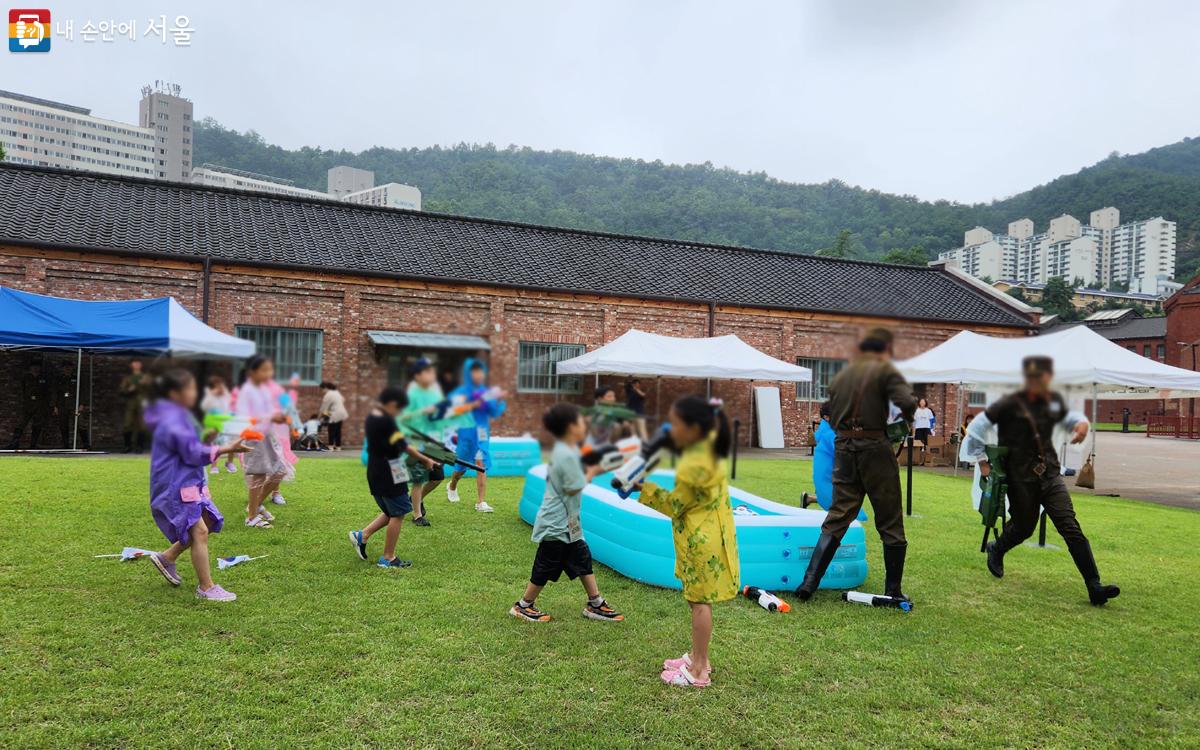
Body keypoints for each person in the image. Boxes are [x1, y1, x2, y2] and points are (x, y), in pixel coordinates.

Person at [964, 356, 1120, 606]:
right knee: (1025, 527)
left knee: (1070, 526)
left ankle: (1094, 585)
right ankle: (998, 548)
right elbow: (975, 432)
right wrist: (982, 460)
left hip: (1050, 474)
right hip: (1021, 478)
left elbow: (1073, 420)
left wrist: (1081, 426)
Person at [794, 327, 917, 603]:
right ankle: (893, 590)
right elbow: (908, 403)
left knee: (838, 514)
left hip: (845, 447)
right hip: (875, 448)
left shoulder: (841, 377)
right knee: (890, 519)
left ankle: (809, 583)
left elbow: (832, 413)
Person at [637, 395, 737, 688]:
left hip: (701, 541)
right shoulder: (708, 446)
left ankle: (698, 672)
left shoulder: (696, 463)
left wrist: (642, 487)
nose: (672, 428)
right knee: (699, 601)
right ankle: (697, 657)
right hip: (710, 536)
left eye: (677, 423)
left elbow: (675, 505)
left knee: (699, 604)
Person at [510, 402, 624, 624]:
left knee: (582, 558)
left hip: (569, 522)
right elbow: (574, 486)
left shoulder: (569, 450)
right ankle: (523, 605)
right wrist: (595, 470)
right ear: (571, 427)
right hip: (556, 522)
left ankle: (595, 603)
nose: (585, 425)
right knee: (546, 565)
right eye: (581, 421)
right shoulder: (565, 453)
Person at [144, 369, 252, 602]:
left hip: (190, 482)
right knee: (200, 531)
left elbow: (193, 445)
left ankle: (167, 557)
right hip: (177, 486)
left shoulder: (181, 417)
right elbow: (192, 451)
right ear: (174, 393)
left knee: (209, 520)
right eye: (190, 389)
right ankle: (206, 587)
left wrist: (210, 437)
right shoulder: (172, 420)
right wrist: (226, 449)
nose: (195, 393)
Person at [348, 386, 437, 568]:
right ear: (392, 404)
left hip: (377, 470)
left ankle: (362, 535)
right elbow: (404, 446)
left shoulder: (374, 417)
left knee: (393, 510)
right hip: (389, 471)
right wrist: (425, 459)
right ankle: (388, 558)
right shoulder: (387, 422)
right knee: (398, 513)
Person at [234, 355, 293, 528]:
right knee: (259, 475)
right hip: (254, 436)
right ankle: (251, 516)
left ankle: (256, 505)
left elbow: (268, 413)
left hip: (268, 435)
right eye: (265, 370)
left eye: (270, 369)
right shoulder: (247, 391)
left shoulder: (263, 390)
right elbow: (245, 417)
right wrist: (270, 416)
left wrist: (278, 418)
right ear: (252, 372)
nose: (269, 373)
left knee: (280, 471)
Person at [445, 358, 507, 513]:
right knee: (462, 466)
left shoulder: (487, 393)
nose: (478, 375)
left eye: (480, 371)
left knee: (481, 464)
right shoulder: (461, 392)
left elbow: (494, 412)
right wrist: (471, 405)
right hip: (466, 433)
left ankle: (481, 502)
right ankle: (452, 485)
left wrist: (499, 401)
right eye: (474, 372)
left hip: (482, 433)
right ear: (468, 373)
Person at [400, 357, 447, 527]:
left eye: (432, 371)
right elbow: (403, 417)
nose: (432, 374)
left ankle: (415, 500)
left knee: (437, 477)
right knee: (419, 478)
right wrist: (422, 412)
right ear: (418, 375)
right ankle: (417, 515)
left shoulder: (435, 391)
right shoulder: (411, 392)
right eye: (428, 371)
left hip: (435, 440)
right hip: (416, 441)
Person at [7, 361, 52, 450]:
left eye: (37, 366)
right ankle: (14, 443)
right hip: (27, 404)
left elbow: (48, 392)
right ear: (30, 368)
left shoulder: (44, 378)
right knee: (21, 423)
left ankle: (33, 445)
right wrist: (22, 401)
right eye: (34, 366)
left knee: (37, 424)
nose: (35, 368)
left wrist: (46, 404)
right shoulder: (25, 378)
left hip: (40, 404)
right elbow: (21, 390)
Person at [200, 375, 239, 474]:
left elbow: (230, 404)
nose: (220, 387)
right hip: (215, 422)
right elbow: (204, 407)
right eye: (217, 385)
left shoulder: (225, 393)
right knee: (216, 443)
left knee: (232, 441)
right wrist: (212, 395)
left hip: (227, 420)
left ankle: (230, 462)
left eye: (221, 384)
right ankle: (214, 465)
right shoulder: (209, 393)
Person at [803, 402, 836, 510]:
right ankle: (808, 499)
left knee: (832, 494)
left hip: (827, 464)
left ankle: (808, 499)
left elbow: (814, 440)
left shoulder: (826, 426)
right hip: (828, 465)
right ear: (826, 417)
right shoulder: (828, 430)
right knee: (834, 495)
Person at [120, 359, 151, 453]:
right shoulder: (128, 378)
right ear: (131, 365)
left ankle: (140, 447)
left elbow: (153, 390)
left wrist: (146, 384)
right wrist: (129, 390)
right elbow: (122, 390)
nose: (136, 365)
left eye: (138, 363)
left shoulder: (146, 377)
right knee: (127, 424)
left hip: (143, 402)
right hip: (131, 402)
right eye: (134, 363)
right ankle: (127, 446)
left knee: (142, 425)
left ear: (141, 364)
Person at [318, 382, 349, 451]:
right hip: (341, 413)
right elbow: (343, 399)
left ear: (325, 388)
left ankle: (331, 446)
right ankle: (338, 447)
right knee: (338, 431)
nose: (322, 391)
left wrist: (318, 418)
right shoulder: (336, 392)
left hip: (334, 414)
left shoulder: (328, 395)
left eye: (322, 389)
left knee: (331, 430)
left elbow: (323, 408)